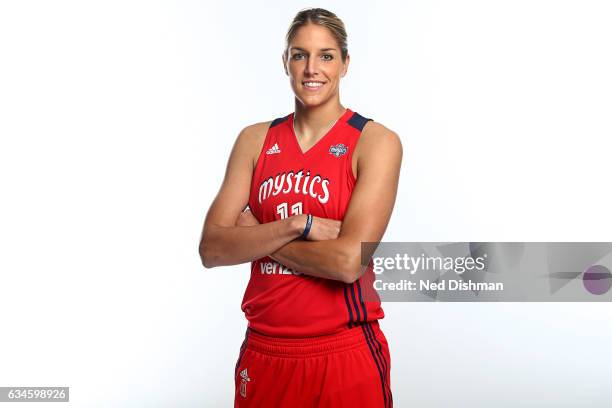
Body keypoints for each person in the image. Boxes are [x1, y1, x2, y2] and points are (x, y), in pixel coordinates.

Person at [199, 7, 402, 408]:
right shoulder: (254, 141)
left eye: (326, 55)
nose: (312, 68)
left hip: (343, 353)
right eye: (299, 54)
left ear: (345, 64)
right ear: (285, 62)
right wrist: (298, 224)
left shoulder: (375, 142)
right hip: (264, 352)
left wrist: (256, 234)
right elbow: (213, 249)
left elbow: (347, 263)